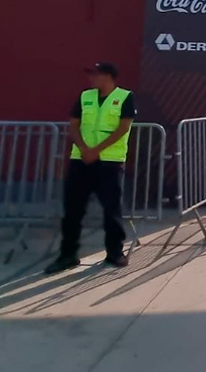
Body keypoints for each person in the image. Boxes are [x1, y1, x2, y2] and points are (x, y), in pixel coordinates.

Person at [46, 62, 136, 274]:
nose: (91, 79)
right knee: (73, 210)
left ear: (108, 76)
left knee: (111, 210)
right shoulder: (85, 97)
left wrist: (97, 149)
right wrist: (84, 148)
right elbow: (73, 124)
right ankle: (67, 255)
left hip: (109, 162)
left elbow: (123, 128)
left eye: (96, 74)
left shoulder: (124, 97)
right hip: (81, 160)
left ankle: (114, 253)